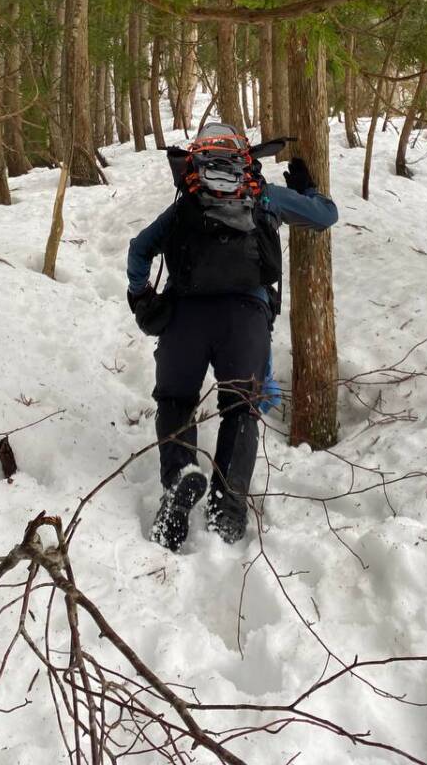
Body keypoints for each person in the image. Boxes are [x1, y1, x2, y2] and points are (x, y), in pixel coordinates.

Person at [126, 123, 338, 551]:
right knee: (240, 409)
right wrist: (308, 188)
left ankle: (179, 478)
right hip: (246, 318)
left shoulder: (188, 198)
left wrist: (140, 294)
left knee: (175, 401)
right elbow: (325, 216)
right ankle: (228, 505)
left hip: (185, 317)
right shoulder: (261, 195)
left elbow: (139, 247)